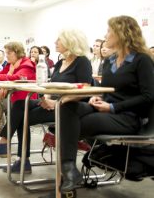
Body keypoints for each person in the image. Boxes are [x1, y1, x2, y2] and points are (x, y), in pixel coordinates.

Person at [58, 15, 154, 192]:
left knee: (71, 125)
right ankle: (69, 170)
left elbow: (149, 97)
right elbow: (109, 89)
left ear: (122, 33)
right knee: (66, 108)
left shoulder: (142, 60)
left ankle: (68, 174)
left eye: (109, 31)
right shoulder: (110, 61)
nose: (105, 35)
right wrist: (98, 96)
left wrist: (112, 107)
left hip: (127, 117)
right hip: (106, 110)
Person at [0, 29, 93, 175]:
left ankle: (17, 156)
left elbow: (84, 89)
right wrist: (46, 98)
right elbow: (50, 85)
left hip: (68, 106)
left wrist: (57, 103)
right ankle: (10, 148)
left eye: (59, 40)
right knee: (19, 105)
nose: (55, 42)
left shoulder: (82, 61)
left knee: (22, 116)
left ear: (70, 41)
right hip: (52, 102)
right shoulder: (61, 62)